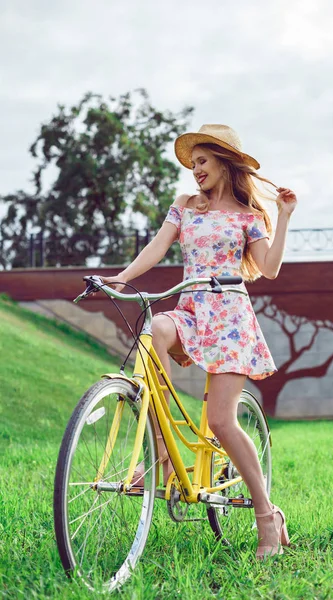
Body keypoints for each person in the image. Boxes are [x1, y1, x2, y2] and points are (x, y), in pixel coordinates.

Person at [102, 124, 297, 558]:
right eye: (193, 165)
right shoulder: (185, 206)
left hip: (230, 317)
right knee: (154, 332)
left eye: (203, 162)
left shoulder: (247, 217)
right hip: (190, 310)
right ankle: (164, 458)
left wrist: (283, 218)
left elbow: (268, 268)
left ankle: (267, 514)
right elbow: (157, 247)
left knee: (223, 422)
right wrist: (123, 276)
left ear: (224, 163)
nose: (196, 171)